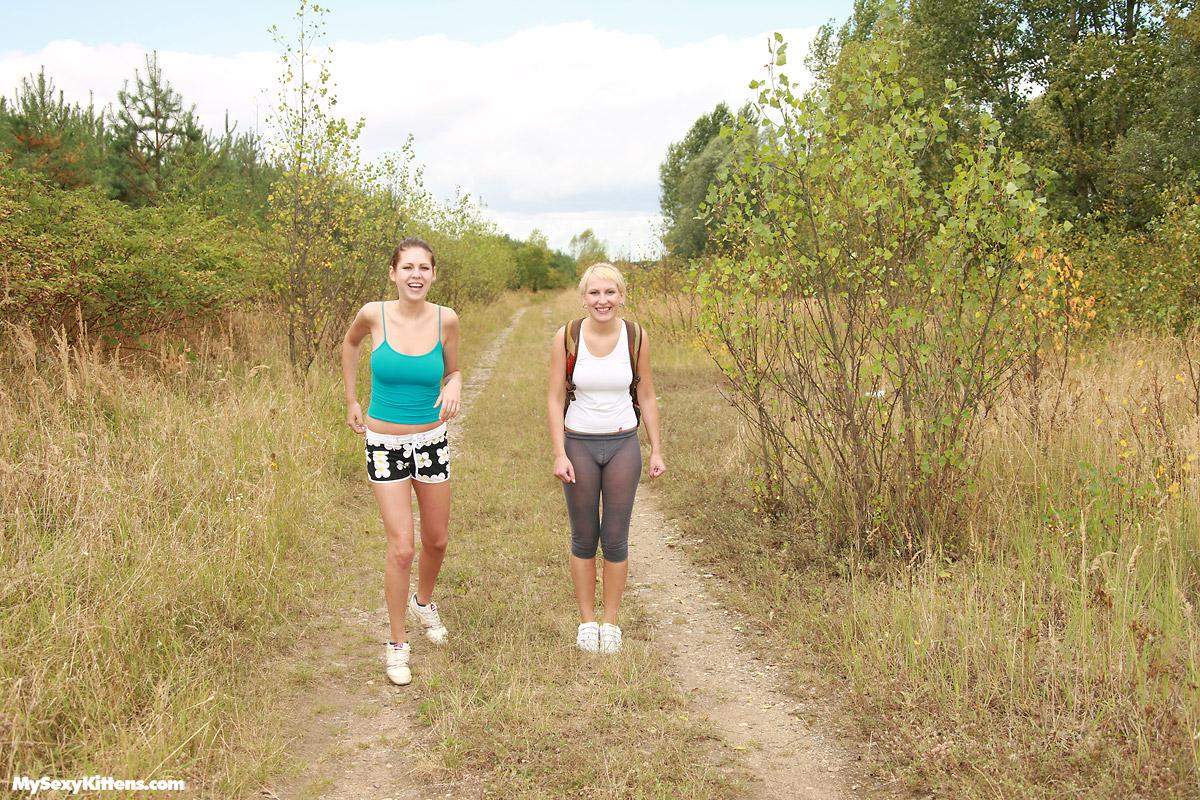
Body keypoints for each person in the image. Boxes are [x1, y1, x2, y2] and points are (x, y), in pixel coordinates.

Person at [341, 237, 461, 686]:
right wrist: (352, 399)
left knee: (437, 540)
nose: (416, 275)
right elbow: (349, 345)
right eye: (407, 267)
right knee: (402, 547)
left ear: (433, 274)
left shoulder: (446, 319)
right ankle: (396, 643)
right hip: (384, 444)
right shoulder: (373, 314)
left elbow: (454, 369)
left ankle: (423, 602)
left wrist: (455, 383)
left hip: (431, 441)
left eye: (423, 268)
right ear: (393, 273)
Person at [547, 262, 666, 654]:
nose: (602, 300)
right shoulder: (567, 336)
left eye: (610, 292)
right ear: (583, 298)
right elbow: (555, 398)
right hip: (578, 445)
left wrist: (656, 447)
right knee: (584, 537)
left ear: (622, 296)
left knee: (615, 538)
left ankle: (610, 623)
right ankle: (587, 622)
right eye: (595, 293)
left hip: (622, 445)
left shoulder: (635, 336)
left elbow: (646, 394)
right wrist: (559, 452)